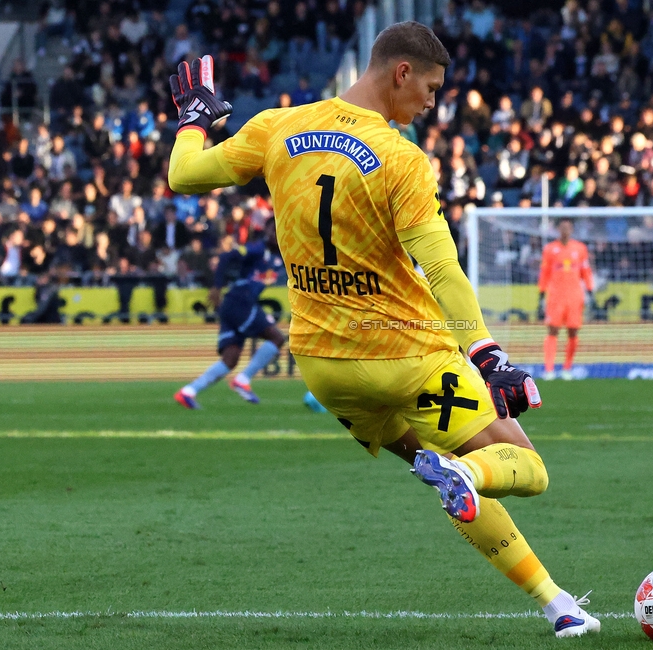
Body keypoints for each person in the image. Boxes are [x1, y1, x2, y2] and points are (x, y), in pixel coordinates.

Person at [165, 24, 598, 639]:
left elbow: (184, 176)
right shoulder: (399, 159)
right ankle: (470, 476)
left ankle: (558, 604)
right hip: (408, 356)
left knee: (435, 468)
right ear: (401, 73)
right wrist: (488, 355)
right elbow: (442, 266)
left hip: (325, 365)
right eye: (429, 87)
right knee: (524, 468)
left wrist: (193, 118)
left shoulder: (276, 127)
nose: (431, 102)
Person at [175, 221, 288, 409]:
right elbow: (227, 257)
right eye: (273, 230)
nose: (277, 235)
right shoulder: (256, 249)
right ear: (267, 231)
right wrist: (217, 286)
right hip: (239, 301)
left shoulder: (280, 257)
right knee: (276, 337)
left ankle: (188, 392)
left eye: (280, 230)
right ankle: (243, 379)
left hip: (234, 304)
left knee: (230, 359)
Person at [538, 218, 594, 380]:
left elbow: (586, 270)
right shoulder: (550, 249)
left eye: (568, 228)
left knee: (573, 331)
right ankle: (549, 369)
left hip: (575, 296)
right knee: (553, 329)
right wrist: (541, 292)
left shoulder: (580, 249)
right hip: (556, 295)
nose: (565, 231)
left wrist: (590, 289)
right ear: (558, 230)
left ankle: (567, 368)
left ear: (572, 230)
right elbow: (545, 272)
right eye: (562, 227)